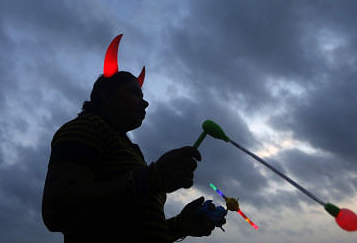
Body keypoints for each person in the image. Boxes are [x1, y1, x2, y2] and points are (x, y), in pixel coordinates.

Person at [42, 35, 223, 242]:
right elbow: (57, 211)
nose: (145, 103)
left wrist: (181, 225)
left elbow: (133, 229)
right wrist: (151, 178)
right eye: (134, 93)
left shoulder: (130, 149)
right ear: (106, 96)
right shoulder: (84, 129)